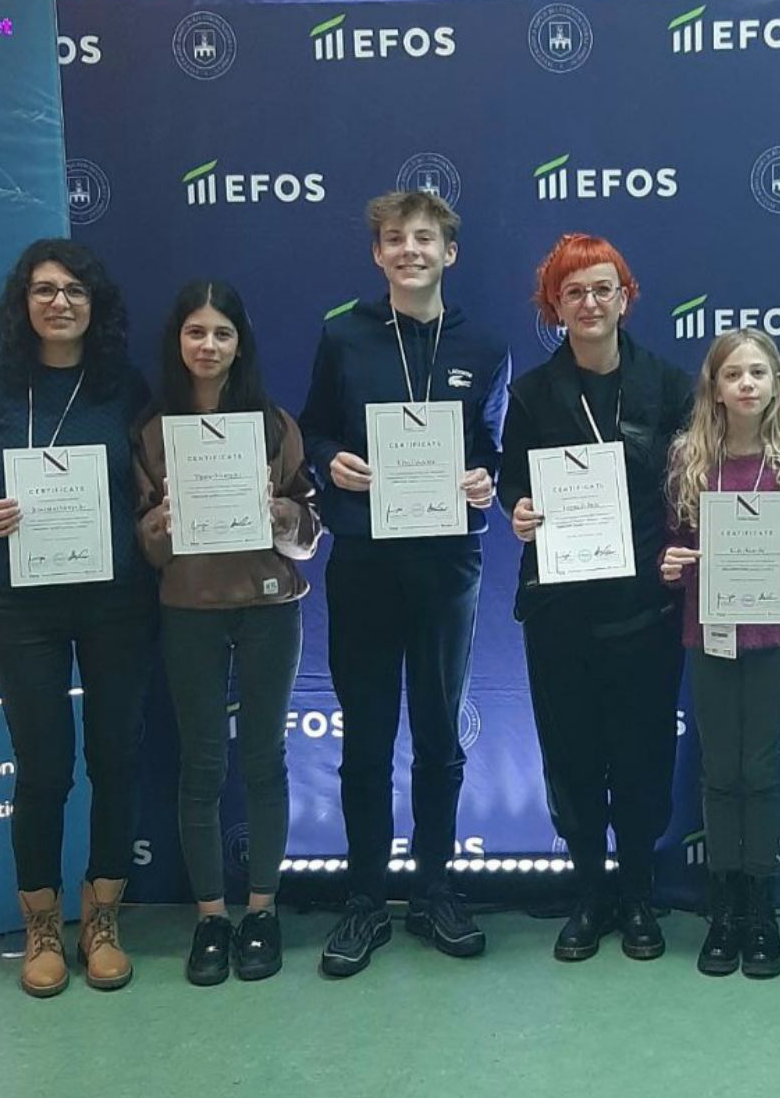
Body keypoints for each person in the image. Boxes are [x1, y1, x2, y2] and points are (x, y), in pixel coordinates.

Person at [298, 190, 510, 977]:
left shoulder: (484, 345)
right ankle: (363, 899)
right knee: (366, 734)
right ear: (378, 254)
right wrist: (330, 461)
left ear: (449, 253)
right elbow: (313, 427)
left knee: (438, 732)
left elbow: (492, 444)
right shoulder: (343, 335)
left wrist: (485, 477)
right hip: (364, 558)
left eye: (424, 238)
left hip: (447, 563)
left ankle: (434, 891)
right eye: (394, 238)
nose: (409, 250)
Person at [0, 239, 154, 997]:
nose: (60, 302)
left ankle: (101, 919)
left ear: (94, 304)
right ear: (23, 303)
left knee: (115, 759)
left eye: (74, 289)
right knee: (43, 768)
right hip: (21, 602)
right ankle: (41, 926)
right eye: (44, 289)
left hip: (116, 598)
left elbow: (148, 487)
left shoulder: (124, 387)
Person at [498, 235, 692, 962]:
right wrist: (518, 510)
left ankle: (638, 893)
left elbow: (690, 484)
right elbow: (512, 482)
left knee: (643, 758)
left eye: (602, 288)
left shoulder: (668, 386)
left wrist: (681, 546)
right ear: (554, 306)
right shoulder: (530, 394)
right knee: (572, 760)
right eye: (573, 292)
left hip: (646, 609)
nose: (589, 303)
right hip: (561, 613)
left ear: (625, 298)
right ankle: (589, 893)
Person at [134, 281, 322, 985]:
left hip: (268, 604)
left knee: (265, 759)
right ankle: (211, 918)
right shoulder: (151, 432)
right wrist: (159, 525)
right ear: (177, 343)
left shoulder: (273, 426)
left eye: (221, 333)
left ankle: (262, 912)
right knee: (203, 765)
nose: (208, 346)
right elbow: (146, 549)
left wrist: (282, 516)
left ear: (240, 345)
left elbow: (309, 534)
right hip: (190, 608)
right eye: (195, 332)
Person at [661, 329, 780, 979]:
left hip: (769, 637)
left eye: (758, 372)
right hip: (709, 633)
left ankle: (761, 908)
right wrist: (670, 564)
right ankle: (722, 909)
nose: (747, 384)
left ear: (776, 384)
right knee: (717, 771)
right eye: (733, 374)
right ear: (715, 387)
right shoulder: (689, 458)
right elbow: (674, 542)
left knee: (757, 771)